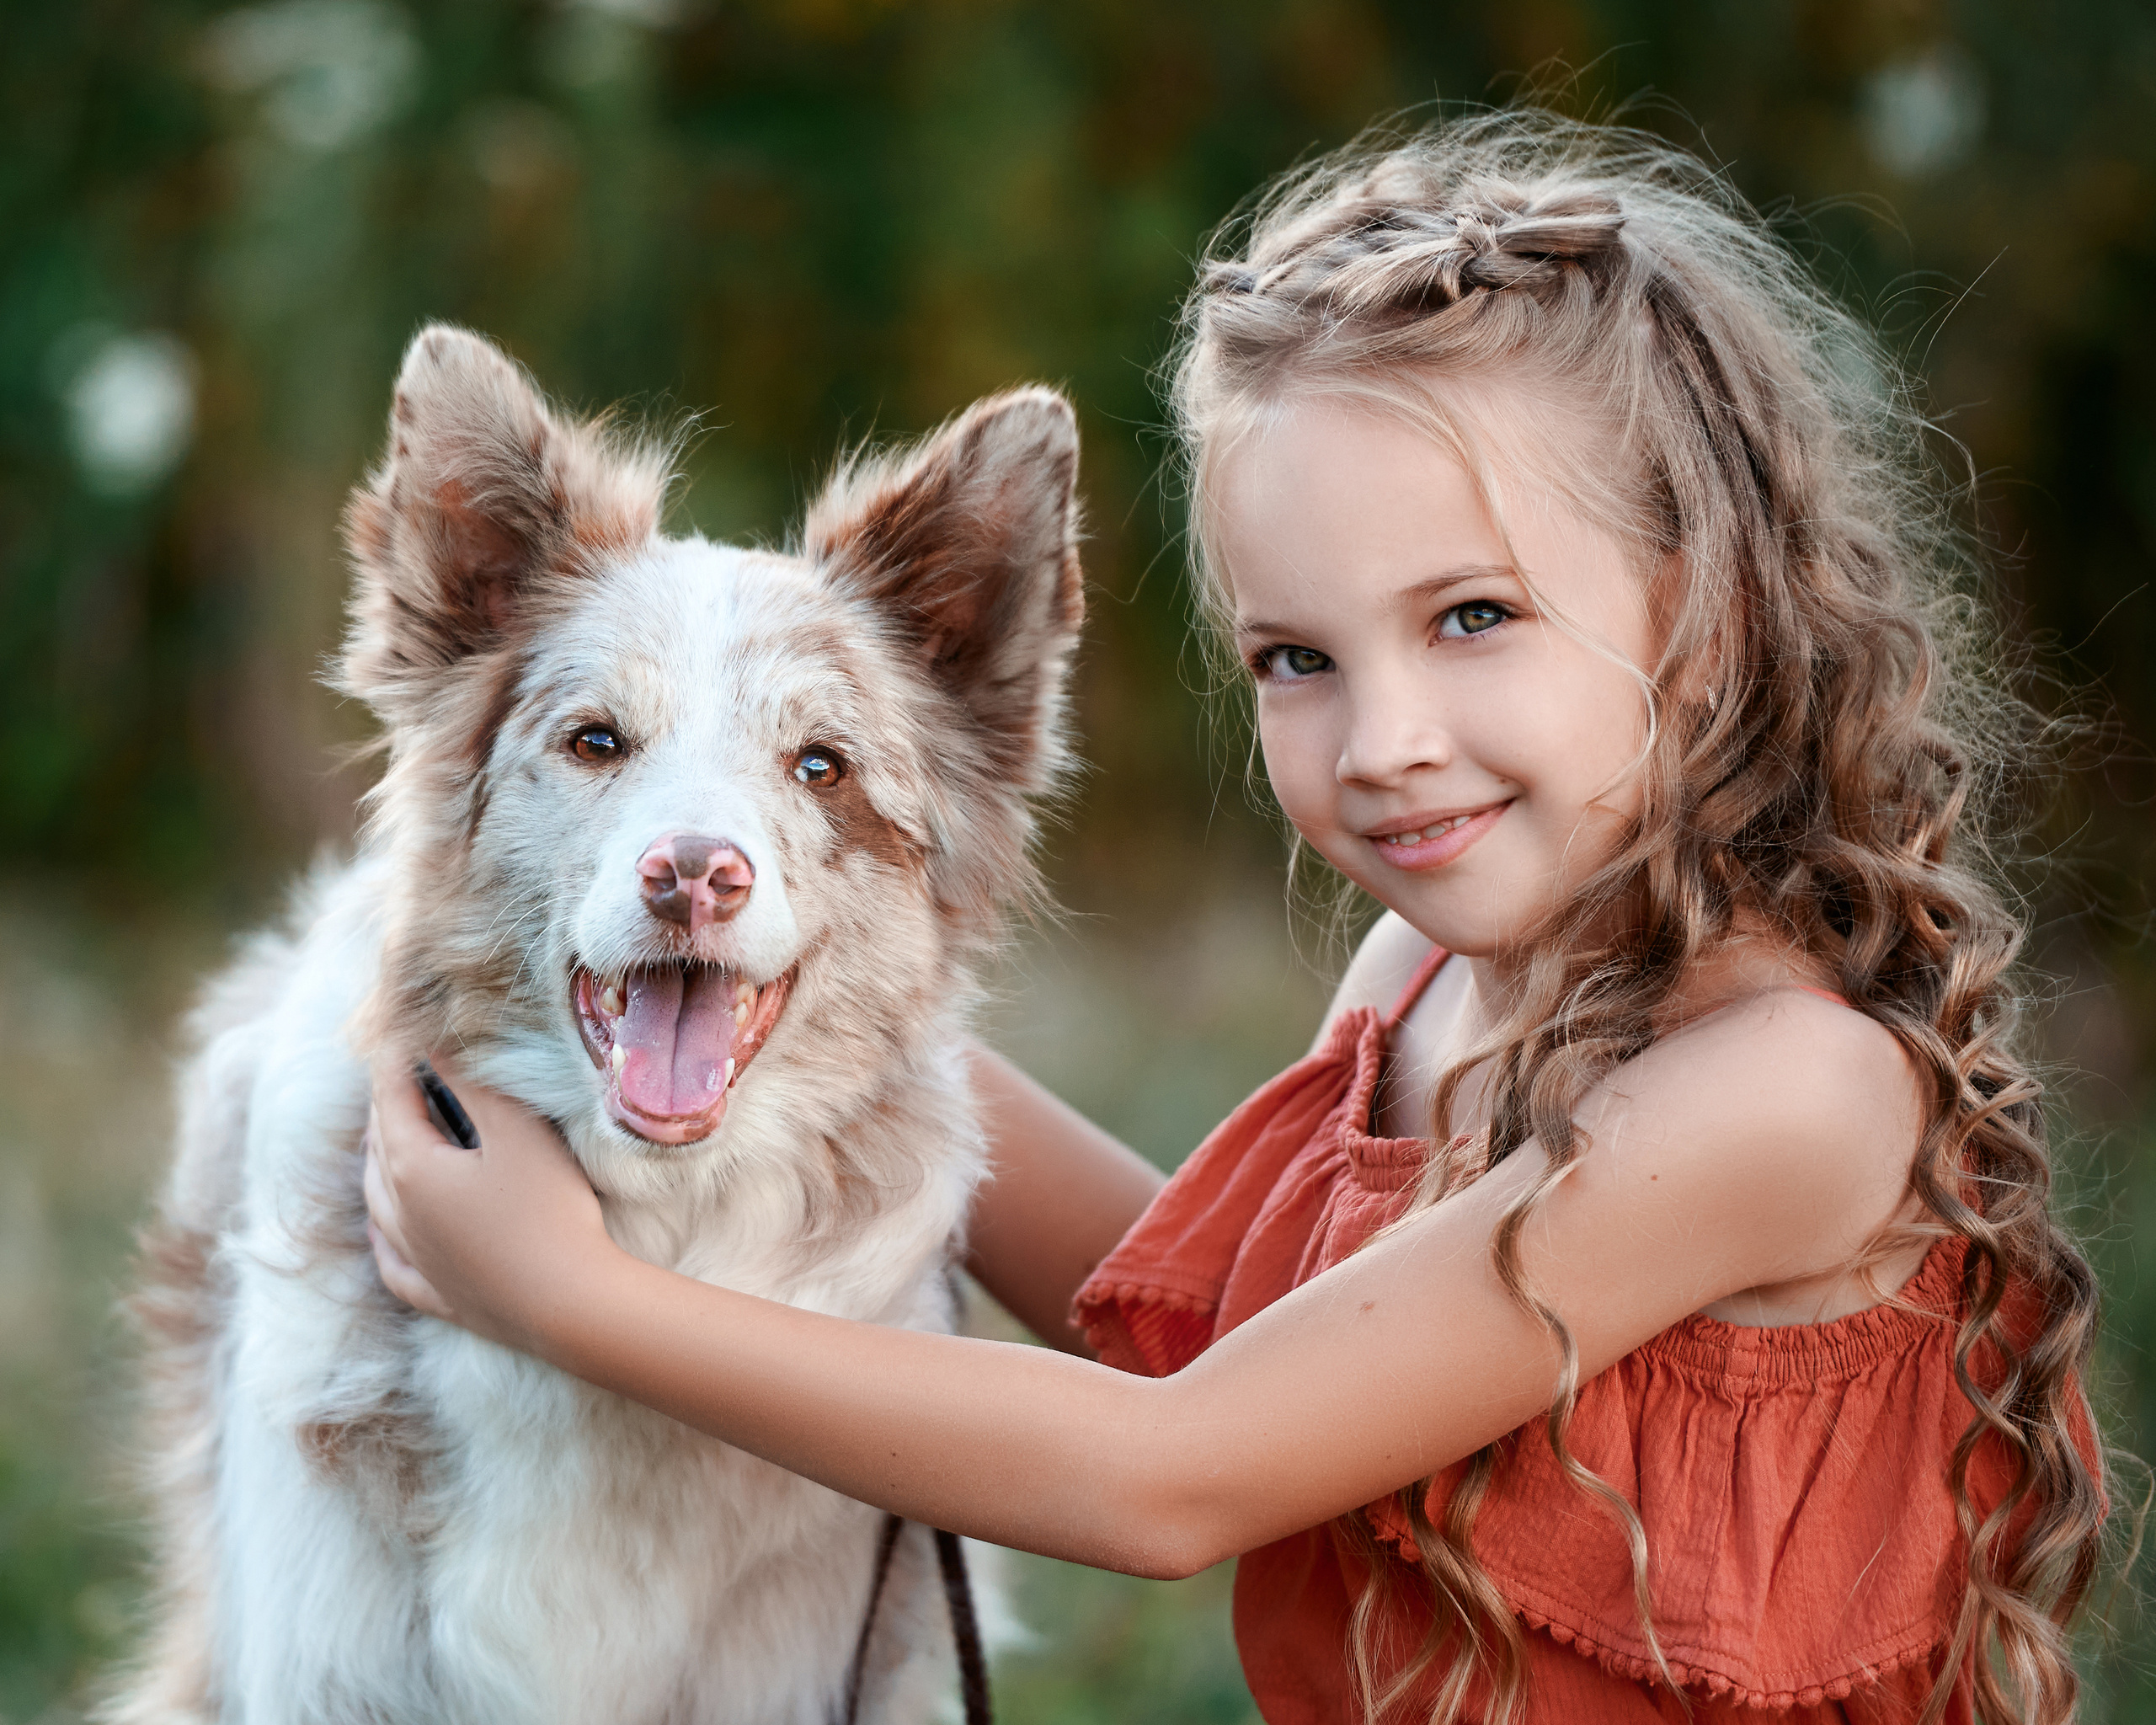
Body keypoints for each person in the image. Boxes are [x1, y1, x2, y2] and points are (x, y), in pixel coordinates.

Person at [362, 110, 2112, 1723]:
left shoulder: (1785, 1094)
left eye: (1473, 616)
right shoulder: (1421, 974)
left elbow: (1172, 1468)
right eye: (1297, 658)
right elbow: (1223, 1345)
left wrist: (566, 1295)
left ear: (1702, 604)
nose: (1383, 742)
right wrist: (780, 1025)